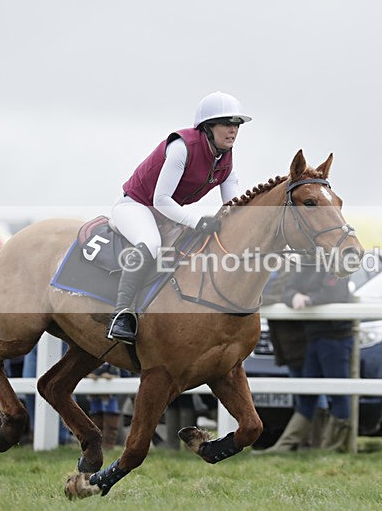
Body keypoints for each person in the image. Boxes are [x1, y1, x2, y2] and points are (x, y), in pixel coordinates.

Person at [107, 91, 251, 344]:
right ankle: (121, 313)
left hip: (167, 214)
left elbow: (232, 205)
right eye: (227, 124)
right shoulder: (182, 147)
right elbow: (160, 199)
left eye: (236, 125)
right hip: (136, 205)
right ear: (208, 127)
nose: (233, 131)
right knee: (151, 244)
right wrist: (197, 221)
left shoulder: (225, 159)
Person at [259, 265, 354, 453]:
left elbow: (333, 294)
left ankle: (335, 446)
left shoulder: (336, 265)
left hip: (336, 336)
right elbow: (289, 290)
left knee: (338, 392)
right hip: (312, 336)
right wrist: (294, 296)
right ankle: (288, 446)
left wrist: (307, 299)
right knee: (307, 393)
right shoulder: (306, 265)